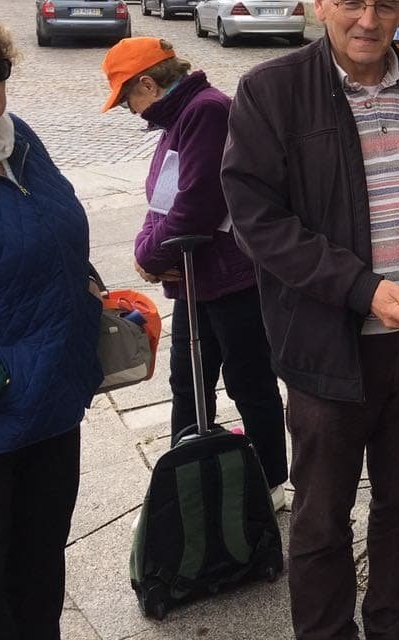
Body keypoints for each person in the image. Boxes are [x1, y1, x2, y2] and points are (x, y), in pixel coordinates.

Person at [221, 0, 399, 640]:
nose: (368, 20)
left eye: (386, 5)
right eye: (352, 3)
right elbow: (256, 219)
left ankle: (394, 623)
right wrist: (362, 289)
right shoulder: (270, 92)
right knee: (320, 514)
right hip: (327, 350)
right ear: (321, 3)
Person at [0, 4, 102, 638]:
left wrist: (93, 301)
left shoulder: (21, 139)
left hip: (52, 408)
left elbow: (56, 232)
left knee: (39, 578)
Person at [99, 36, 288, 506]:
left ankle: (270, 483)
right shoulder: (177, 117)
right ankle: (183, 484)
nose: (131, 110)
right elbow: (162, 201)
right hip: (196, 282)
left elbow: (197, 203)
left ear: (148, 82)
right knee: (187, 384)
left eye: (128, 99)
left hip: (231, 279)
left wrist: (150, 257)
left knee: (250, 383)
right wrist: (149, 250)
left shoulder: (206, 111)